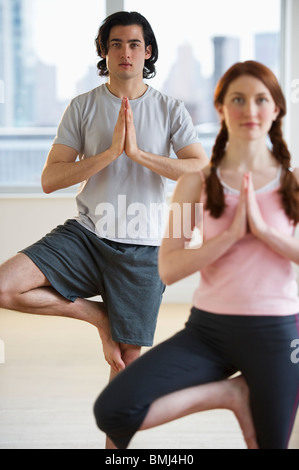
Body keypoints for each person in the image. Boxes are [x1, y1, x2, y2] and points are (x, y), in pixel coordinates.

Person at [0, 11, 208, 448]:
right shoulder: (83, 106)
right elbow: (50, 179)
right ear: (103, 51)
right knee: (4, 286)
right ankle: (98, 315)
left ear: (147, 51)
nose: (125, 52)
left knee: (125, 370)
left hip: (145, 246)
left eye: (134, 44)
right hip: (87, 234)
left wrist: (139, 154)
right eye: (116, 44)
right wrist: (111, 153)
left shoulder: (171, 108)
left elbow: (199, 168)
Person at [94, 60, 299, 449]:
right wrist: (231, 236)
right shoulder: (196, 184)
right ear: (221, 107)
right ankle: (229, 394)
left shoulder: (293, 183)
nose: (250, 110)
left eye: (260, 100)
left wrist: (265, 232)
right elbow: (169, 268)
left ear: (276, 109)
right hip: (210, 332)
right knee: (114, 410)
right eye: (237, 99)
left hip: (278, 333)